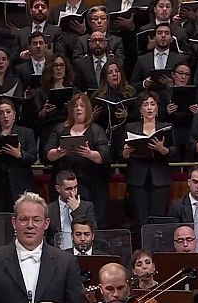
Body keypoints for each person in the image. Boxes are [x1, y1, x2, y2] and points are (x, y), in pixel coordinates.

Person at [46, 92, 111, 227]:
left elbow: (104, 157)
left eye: (82, 106)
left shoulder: (96, 130)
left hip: (90, 185)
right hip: (65, 183)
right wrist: (58, 152)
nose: (79, 109)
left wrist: (89, 154)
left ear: (88, 109)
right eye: (75, 106)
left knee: (88, 221)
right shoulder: (59, 129)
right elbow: (48, 154)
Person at [121, 91, 175, 228]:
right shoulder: (130, 127)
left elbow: (175, 151)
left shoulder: (166, 126)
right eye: (145, 105)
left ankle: (157, 248)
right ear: (140, 109)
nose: (149, 108)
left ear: (157, 108)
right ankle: (142, 248)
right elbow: (120, 152)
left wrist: (164, 150)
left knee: (158, 218)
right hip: (137, 179)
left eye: (152, 104)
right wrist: (125, 154)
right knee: (140, 218)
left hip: (160, 178)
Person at [0, 99, 37, 212]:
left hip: (19, 184)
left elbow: (33, 156)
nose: (5, 116)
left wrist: (20, 154)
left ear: (14, 114)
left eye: (8, 112)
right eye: (1, 113)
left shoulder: (26, 133)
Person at [169, 164, 198, 253]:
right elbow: (174, 237)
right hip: (187, 254)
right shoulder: (177, 206)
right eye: (195, 182)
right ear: (189, 182)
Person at [45, 170, 97, 248]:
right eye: (68, 189)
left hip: (80, 251)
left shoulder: (87, 207)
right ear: (58, 188)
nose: (73, 193)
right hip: (57, 253)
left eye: (75, 188)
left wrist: (77, 211)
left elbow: (94, 231)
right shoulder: (49, 209)